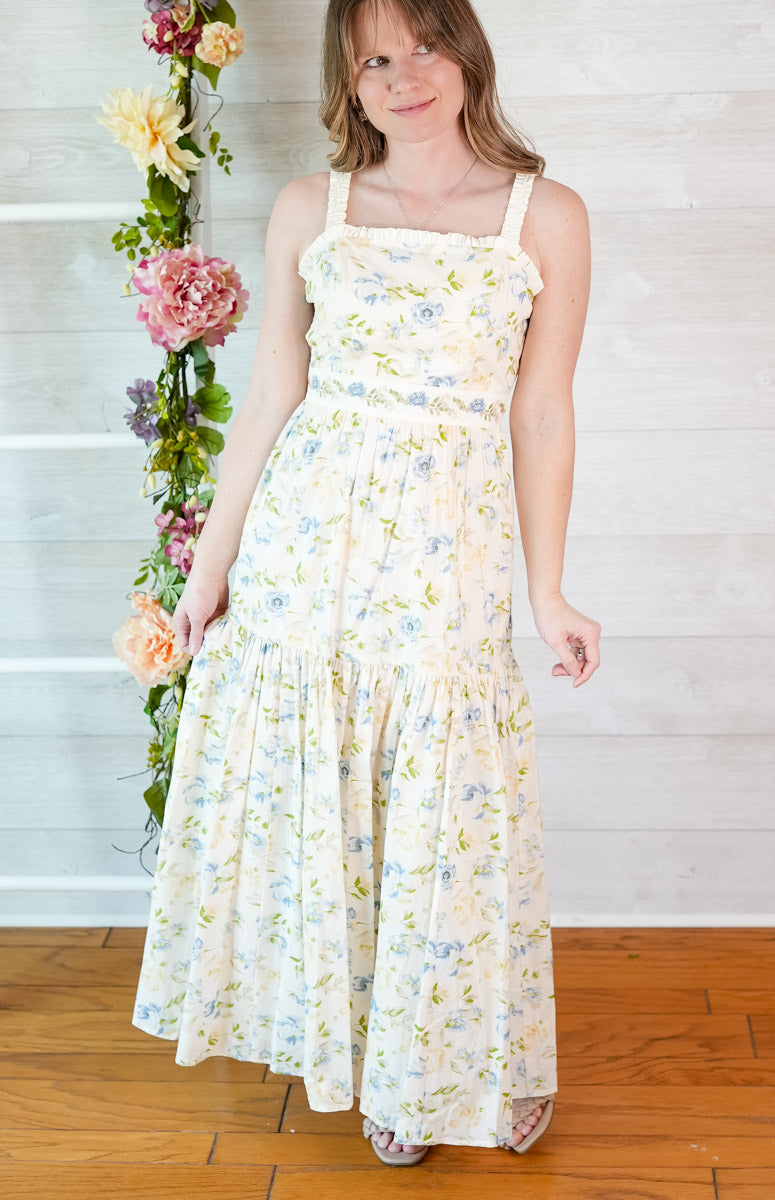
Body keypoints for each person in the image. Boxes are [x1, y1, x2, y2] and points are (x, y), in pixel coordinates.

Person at [131, 0, 600, 1167]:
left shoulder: (546, 217)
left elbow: (539, 414)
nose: (405, 77)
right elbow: (268, 400)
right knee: (327, 798)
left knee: (445, 811)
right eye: (375, 59)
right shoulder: (313, 208)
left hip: (447, 553)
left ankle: (439, 1068)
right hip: (307, 550)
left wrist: (549, 594)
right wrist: (210, 571)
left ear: (467, 52)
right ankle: (358, 1050)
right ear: (349, 80)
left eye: (425, 46)